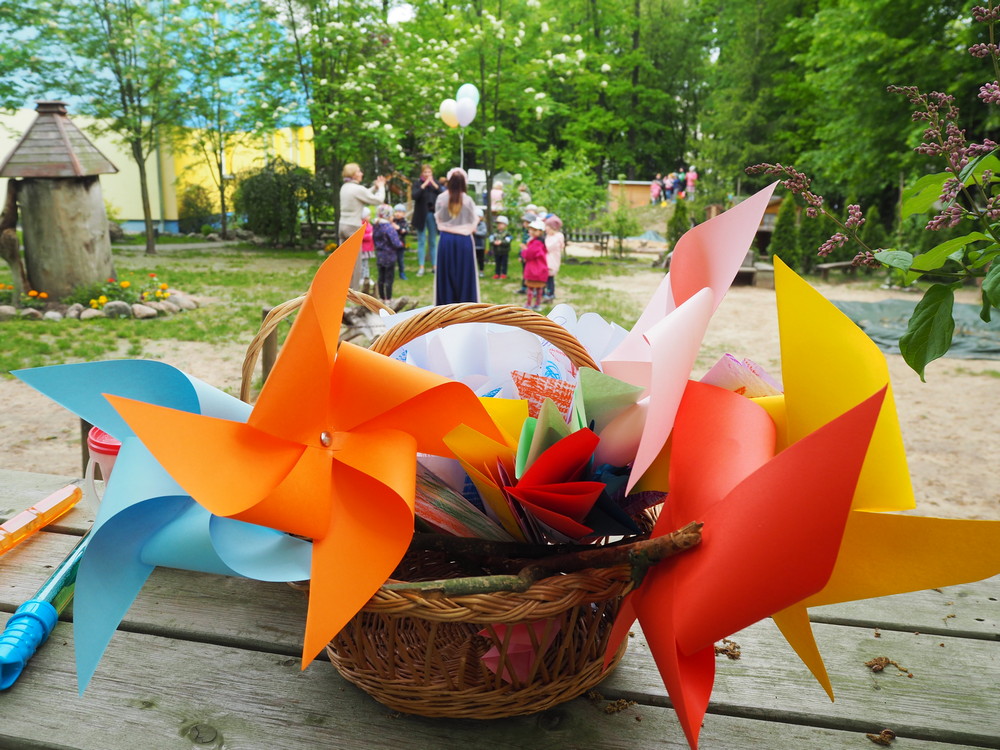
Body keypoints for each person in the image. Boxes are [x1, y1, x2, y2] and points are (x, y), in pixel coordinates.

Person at [434, 168, 480, 305]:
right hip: (464, 241)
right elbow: (474, 221)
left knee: (446, 274)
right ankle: (465, 306)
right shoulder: (467, 200)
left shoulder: (441, 199)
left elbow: (438, 219)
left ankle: (446, 305)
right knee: (465, 275)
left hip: (446, 240)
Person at [339, 162, 386, 290]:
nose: (361, 174)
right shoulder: (357, 189)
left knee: (344, 261)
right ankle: (353, 291)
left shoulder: (345, 187)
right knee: (355, 263)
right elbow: (377, 200)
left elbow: (364, 194)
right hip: (353, 227)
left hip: (342, 226)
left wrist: (374, 188)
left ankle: (342, 288)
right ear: (354, 174)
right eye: (359, 171)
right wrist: (381, 187)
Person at [410, 164, 444, 277]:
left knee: (433, 241)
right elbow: (414, 196)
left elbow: (442, 194)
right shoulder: (418, 183)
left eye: (429, 172)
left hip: (432, 215)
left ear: (432, 173)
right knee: (421, 241)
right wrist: (424, 185)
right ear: (422, 173)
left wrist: (433, 184)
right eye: (425, 172)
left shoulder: (436, 184)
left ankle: (435, 266)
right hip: (421, 215)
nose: (427, 174)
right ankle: (421, 267)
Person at [372, 204, 403, 302]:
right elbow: (395, 242)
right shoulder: (389, 227)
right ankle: (388, 298)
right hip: (389, 256)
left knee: (381, 277)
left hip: (380, 255)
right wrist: (400, 244)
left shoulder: (376, 226)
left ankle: (381, 297)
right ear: (388, 215)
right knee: (389, 278)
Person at [520, 219, 549, 310]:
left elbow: (529, 254)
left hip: (534, 270)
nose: (531, 231)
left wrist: (524, 250)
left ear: (540, 232)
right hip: (539, 269)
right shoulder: (538, 242)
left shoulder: (536, 243)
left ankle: (530, 304)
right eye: (531, 229)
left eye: (534, 230)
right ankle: (536, 304)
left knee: (532, 288)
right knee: (538, 288)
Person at [543, 214, 565, 302]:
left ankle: (550, 293)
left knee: (550, 278)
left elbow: (548, 247)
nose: (545, 229)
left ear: (553, 228)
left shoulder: (557, 237)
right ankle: (546, 292)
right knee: (546, 278)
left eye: (547, 227)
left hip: (552, 261)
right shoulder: (549, 236)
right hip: (547, 260)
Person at [391, 203, 409, 280]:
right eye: (396, 211)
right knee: (392, 260)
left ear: (404, 214)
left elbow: (405, 231)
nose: (397, 213)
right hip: (392, 245)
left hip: (400, 245)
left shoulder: (404, 222)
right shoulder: (392, 221)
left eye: (400, 212)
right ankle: (390, 273)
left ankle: (402, 273)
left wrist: (398, 228)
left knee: (400, 260)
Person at [473, 206, 487, 277]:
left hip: (480, 246)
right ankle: (474, 271)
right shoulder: (472, 224)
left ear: (481, 217)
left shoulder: (483, 224)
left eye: (478, 217)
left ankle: (481, 271)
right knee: (473, 259)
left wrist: (476, 232)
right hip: (473, 245)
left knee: (481, 259)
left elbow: (484, 233)